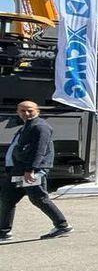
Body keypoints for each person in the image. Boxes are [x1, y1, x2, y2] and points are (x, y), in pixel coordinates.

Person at [0, 101, 71, 240]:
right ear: (17, 112)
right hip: (19, 170)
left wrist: (31, 169)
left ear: (37, 111)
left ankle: (62, 225)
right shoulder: (28, 125)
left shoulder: (40, 127)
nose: (26, 113)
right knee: (7, 198)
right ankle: (3, 231)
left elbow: (39, 150)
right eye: (22, 111)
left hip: (30, 171)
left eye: (29, 110)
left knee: (39, 198)